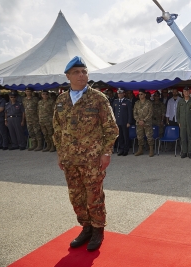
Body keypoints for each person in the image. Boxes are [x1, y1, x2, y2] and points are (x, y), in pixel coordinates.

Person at [53, 56, 118, 251]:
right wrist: (60, 153)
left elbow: (111, 128)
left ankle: (98, 229)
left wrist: (106, 153)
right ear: (68, 76)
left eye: (84, 71)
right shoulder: (61, 100)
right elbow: (57, 128)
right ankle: (86, 227)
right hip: (70, 158)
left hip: (92, 159)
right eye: (76, 72)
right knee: (76, 196)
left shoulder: (98, 98)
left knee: (94, 195)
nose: (81, 75)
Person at [133, 89, 154, 157]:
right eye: (139, 94)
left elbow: (150, 113)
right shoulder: (137, 103)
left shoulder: (149, 103)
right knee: (139, 137)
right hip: (139, 123)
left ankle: (151, 150)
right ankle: (140, 150)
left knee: (149, 137)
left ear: (145, 95)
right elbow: (134, 113)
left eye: (141, 94)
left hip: (147, 123)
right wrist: (138, 120)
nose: (140, 95)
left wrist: (144, 120)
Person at [112, 88, 132, 156]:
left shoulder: (127, 102)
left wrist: (129, 122)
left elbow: (129, 113)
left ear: (124, 94)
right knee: (120, 136)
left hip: (125, 122)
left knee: (125, 136)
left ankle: (126, 149)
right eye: (118, 93)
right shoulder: (115, 101)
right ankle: (121, 149)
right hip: (118, 122)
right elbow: (113, 112)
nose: (119, 94)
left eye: (121, 93)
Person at [177, 87, 191, 159]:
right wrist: (179, 121)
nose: (186, 93)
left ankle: (190, 152)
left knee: (190, 137)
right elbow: (177, 112)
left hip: (190, 122)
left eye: (187, 91)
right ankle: (184, 152)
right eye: (185, 91)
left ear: (190, 92)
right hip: (182, 122)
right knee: (183, 137)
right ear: (183, 93)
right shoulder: (180, 101)